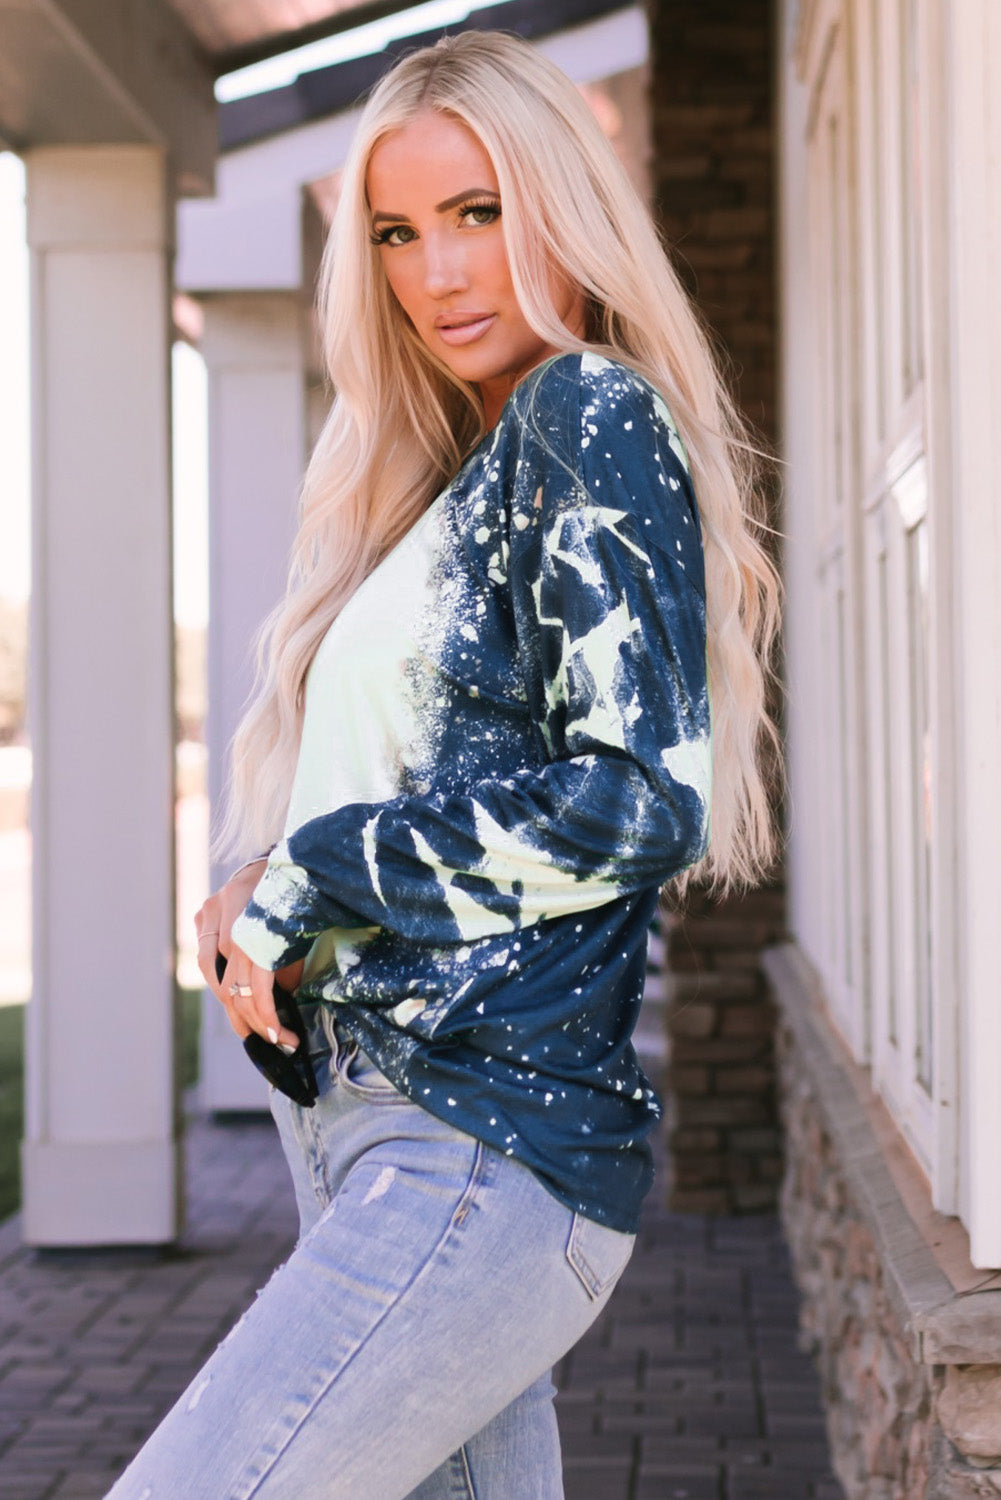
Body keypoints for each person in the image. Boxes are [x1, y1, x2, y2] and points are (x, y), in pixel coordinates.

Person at [108, 28, 779, 1500]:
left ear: (562, 204)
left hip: (478, 1146)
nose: (440, 273)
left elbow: (639, 799)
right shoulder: (447, 471)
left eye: (479, 212)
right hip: (368, 1127)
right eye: (398, 232)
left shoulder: (585, 413)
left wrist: (314, 874)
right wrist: (257, 878)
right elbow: (415, 782)